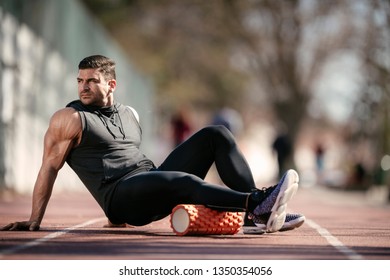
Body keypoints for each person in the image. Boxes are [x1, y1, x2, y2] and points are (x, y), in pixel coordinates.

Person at [1, 55, 305, 234]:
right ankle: (256, 201)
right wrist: (33, 220)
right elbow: (48, 167)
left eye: (91, 81)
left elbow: (124, 156)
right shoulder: (69, 118)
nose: (83, 86)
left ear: (111, 85)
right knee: (183, 181)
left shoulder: (129, 114)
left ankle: (257, 216)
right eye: (80, 80)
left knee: (216, 134)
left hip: (150, 182)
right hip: (122, 198)